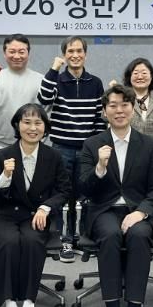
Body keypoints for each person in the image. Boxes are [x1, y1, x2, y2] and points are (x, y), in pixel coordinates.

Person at [79, 84, 153, 307]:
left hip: (139, 210)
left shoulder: (148, 145)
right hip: (104, 210)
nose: (119, 110)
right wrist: (100, 167)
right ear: (104, 111)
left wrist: (140, 212)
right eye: (113, 105)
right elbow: (84, 188)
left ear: (133, 108)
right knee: (111, 234)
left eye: (124, 105)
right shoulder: (92, 144)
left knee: (139, 235)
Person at [0, 104, 70, 307]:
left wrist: (46, 207)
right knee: (9, 242)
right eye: (27, 122)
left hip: (35, 215)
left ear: (45, 127)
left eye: (38, 123)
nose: (33, 128)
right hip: (5, 215)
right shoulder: (3, 155)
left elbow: (64, 190)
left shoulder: (53, 156)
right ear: (17, 125)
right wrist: (5, 177)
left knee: (32, 241)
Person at [37, 36, 105, 262]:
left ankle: (84, 238)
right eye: (70, 51)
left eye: (79, 51)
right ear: (64, 55)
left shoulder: (95, 82)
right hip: (61, 147)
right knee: (62, 195)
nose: (75, 55)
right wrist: (53, 69)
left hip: (87, 148)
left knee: (86, 195)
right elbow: (44, 98)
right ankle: (64, 240)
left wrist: (96, 146)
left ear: (85, 54)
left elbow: (99, 118)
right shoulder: (56, 79)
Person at [0, 34, 43, 195]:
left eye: (22, 51)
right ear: (4, 53)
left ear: (28, 53)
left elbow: (45, 117)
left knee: (28, 198)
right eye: (12, 51)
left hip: (31, 150)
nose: (17, 56)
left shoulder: (40, 80)